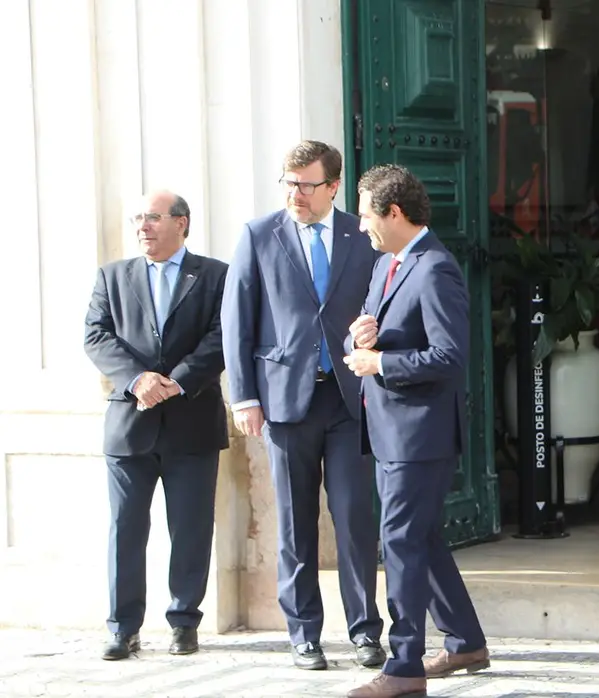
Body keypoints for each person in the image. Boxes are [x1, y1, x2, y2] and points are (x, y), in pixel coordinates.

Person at [220, 140, 384, 670]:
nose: (296, 194)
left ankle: (364, 630)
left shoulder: (360, 236)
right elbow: (236, 321)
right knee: (294, 522)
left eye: (307, 185)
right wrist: (244, 396)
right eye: (289, 184)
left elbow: (385, 302)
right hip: (284, 401)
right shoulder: (258, 235)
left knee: (356, 517)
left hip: (348, 399)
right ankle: (304, 633)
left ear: (333, 186)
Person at [343, 164, 489, 698]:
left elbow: (449, 356)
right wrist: (361, 336)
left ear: (395, 213)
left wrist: (380, 364)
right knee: (420, 538)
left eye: (366, 216)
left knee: (400, 542)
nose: (361, 228)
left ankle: (403, 667)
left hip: (418, 433)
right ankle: (465, 641)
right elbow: (370, 339)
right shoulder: (388, 263)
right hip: (388, 429)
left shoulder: (434, 268)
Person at [83, 191, 229, 661]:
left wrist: (178, 381)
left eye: (153, 217)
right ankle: (123, 627)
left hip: (192, 420)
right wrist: (138, 379)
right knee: (126, 528)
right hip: (131, 422)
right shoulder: (113, 276)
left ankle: (184, 621)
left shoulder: (215, 276)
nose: (142, 226)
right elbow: (96, 335)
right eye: (138, 218)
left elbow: (224, 335)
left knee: (190, 527)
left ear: (182, 223)